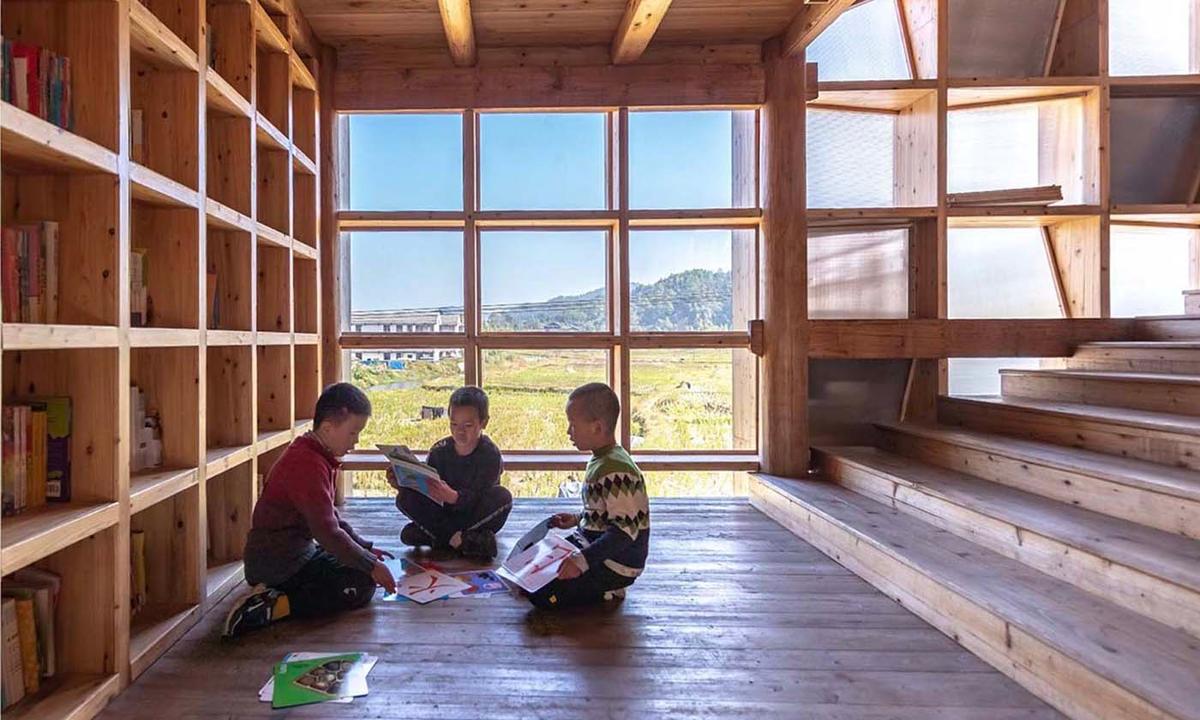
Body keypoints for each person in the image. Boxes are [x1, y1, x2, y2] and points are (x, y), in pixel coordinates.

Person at [223, 383, 397, 638]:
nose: (356, 441)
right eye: (352, 432)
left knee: (359, 570)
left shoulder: (317, 455)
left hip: (299, 554)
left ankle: (277, 597)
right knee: (359, 584)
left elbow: (332, 519)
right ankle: (276, 605)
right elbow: (327, 533)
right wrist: (370, 565)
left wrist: (365, 550)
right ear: (327, 428)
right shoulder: (307, 464)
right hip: (278, 565)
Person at [526, 382, 650, 610]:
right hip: (592, 546)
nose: (568, 432)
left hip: (615, 562)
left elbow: (624, 532)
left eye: (573, 425)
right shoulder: (603, 459)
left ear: (597, 427)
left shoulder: (616, 470)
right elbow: (606, 512)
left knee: (541, 595)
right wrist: (577, 519)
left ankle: (607, 588)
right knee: (529, 569)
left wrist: (580, 562)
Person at [394, 386, 512, 561]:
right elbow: (428, 493)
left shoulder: (490, 454)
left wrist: (454, 497)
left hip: (475, 515)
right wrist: (404, 482)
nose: (459, 431)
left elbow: (481, 498)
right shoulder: (439, 450)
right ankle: (464, 541)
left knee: (503, 496)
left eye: (468, 425)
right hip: (444, 513)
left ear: (484, 422)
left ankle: (438, 536)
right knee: (404, 498)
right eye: (454, 424)